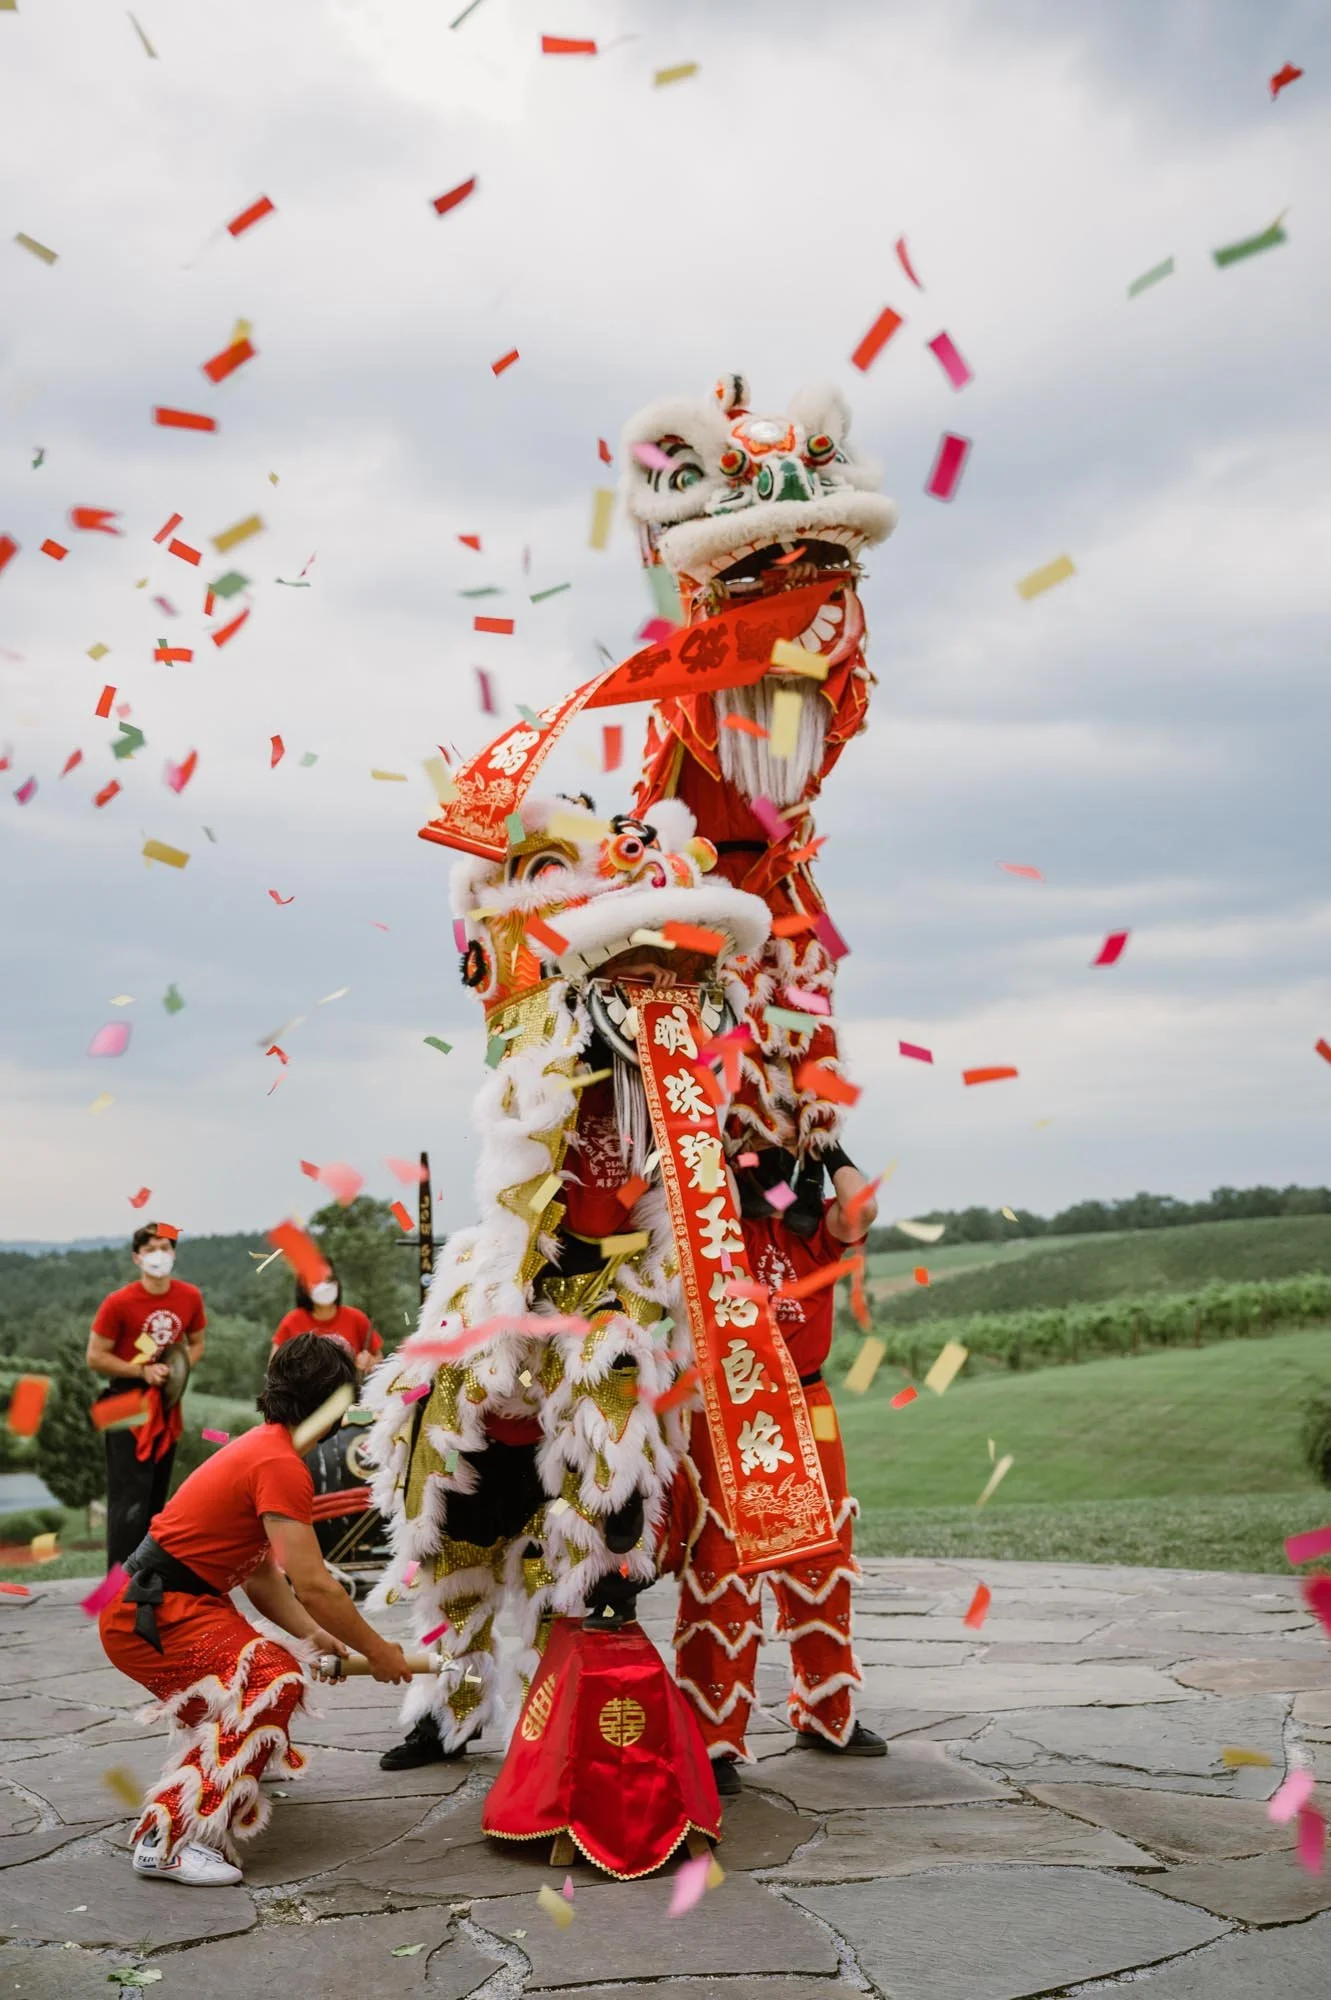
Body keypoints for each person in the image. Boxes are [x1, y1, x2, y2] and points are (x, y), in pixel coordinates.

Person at [98, 1333, 413, 1886]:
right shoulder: (280, 1463)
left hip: (164, 1604)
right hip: (153, 1611)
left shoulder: (267, 1448)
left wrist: (316, 1635)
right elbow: (315, 1584)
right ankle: (168, 1838)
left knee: (264, 1677)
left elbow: (265, 1575)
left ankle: (229, 1778)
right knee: (271, 1677)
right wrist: (379, 1651)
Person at [673, 1147, 887, 1794]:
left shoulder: (812, 1228)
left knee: (823, 1558)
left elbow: (862, 1208)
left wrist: (832, 1146)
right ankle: (711, 1736)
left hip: (809, 1401)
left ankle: (827, 1714)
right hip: (729, 1404)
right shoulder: (706, 1231)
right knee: (721, 1565)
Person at [88, 1223, 207, 1570]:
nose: (159, 1254)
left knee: (156, 1491)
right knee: (128, 1496)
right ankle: (119, 1581)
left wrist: (179, 1368)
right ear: (137, 1257)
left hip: (166, 1401)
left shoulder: (189, 1297)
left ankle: (149, 1573)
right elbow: (95, 1356)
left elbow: (197, 1342)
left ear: (174, 1254)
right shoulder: (119, 1302)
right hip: (124, 1398)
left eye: (166, 1247)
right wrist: (141, 1371)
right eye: (151, 1248)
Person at [271, 1261, 383, 1377]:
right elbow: (273, 1368)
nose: (324, 1286)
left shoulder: (357, 1318)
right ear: (304, 1286)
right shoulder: (291, 1322)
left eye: (329, 1279)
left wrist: (370, 1363)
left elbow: (379, 1360)